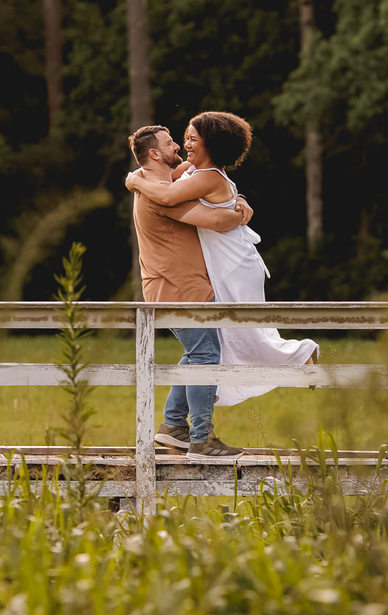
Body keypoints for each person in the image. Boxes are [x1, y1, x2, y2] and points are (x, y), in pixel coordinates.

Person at [126, 111, 319, 407]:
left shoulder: (203, 176)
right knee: (229, 335)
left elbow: (171, 198)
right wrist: (238, 201)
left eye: (191, 139)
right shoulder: (193, 171)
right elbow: (169, 182)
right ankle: (182, 418)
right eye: (181, 139)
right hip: (227, 260)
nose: (183, 144)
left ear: (209, 145)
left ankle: (300, 356)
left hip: (231, 261)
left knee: (239, 331)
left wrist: (133, 181)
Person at [127, 124, 248, 463]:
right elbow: (218, 222)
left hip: (177, 286)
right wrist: (237, 211)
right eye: (170, 144)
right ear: (154, 154)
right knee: (206, 356)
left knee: (198, 353)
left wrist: (237, 198)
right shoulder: (158, 194)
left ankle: (174, 426)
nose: (178, 147)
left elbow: (207, 182)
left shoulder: (164, 186)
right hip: (180, 288)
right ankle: (202, 439)